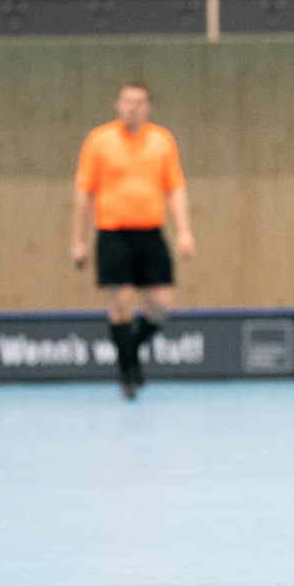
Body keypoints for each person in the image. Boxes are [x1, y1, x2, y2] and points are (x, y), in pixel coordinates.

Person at [71, 82, 195, 399]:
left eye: (139, 102)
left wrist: (183, 231)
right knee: (122, 305)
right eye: (127, 101)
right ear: (117, 104)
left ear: (148, 107)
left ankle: (131, 352)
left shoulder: (161, 141)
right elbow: (85, 192)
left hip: (150, 234)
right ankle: (128, 374)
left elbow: (174, 188)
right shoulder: (100, 140)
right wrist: (78, 240)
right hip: (113, 234)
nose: (132, 107)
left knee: (160, 308)